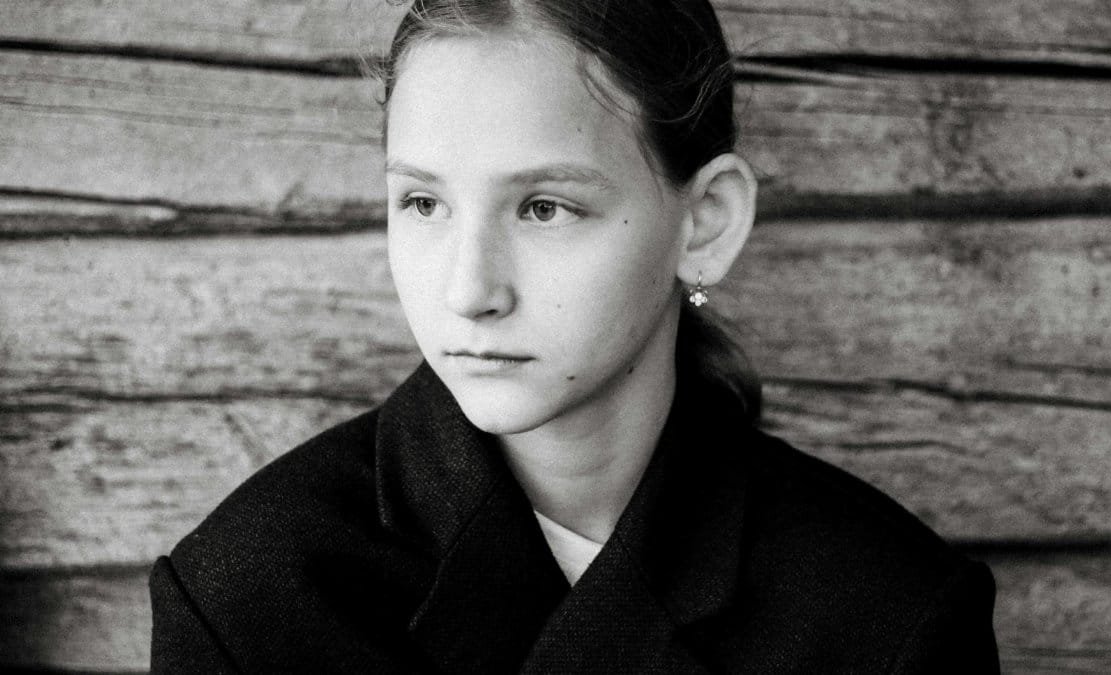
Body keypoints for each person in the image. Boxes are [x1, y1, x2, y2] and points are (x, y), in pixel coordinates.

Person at [149, 0, 1001, 672]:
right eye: (422, 203)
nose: (468, 289)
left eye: (544, 207)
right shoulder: (250, 597)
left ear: (705, 223)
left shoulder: (888, 618)